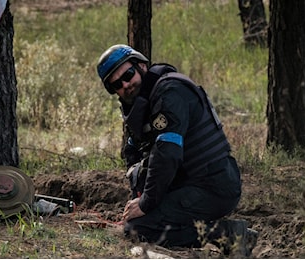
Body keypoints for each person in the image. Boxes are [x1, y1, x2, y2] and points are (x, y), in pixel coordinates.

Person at [96, 44, 257, 256]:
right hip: (188, 184)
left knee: (138, 229)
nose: (125, 84)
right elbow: (133, 152)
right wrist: (138, 187)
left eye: (128, 74)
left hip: (213, 185)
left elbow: (167, 154)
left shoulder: (171, 92)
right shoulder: (140, 105)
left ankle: (228, 235)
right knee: (141, 221)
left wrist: (145, 203)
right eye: (117, 83)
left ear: (142, 66)